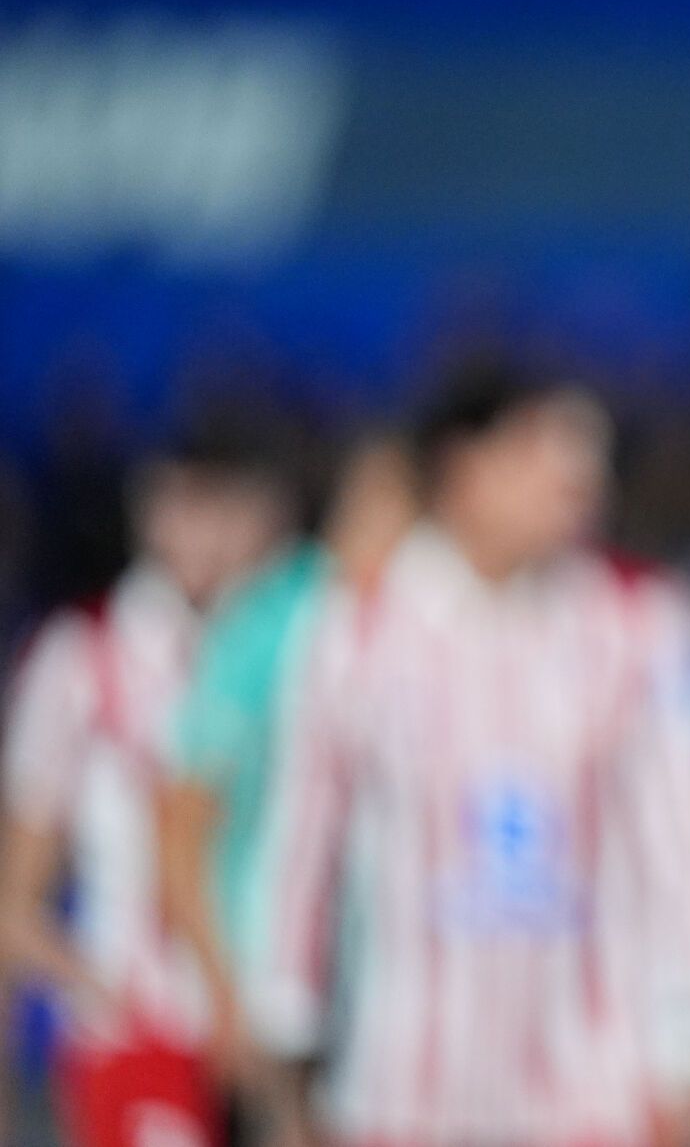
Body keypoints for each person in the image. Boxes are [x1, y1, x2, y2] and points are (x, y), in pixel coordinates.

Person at [244, 366, 690, 1147]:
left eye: (587, 449)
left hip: (594, 1095)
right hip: (403, 1093)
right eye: (541, 446)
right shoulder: (358, 625)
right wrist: (283, 1035)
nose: (576, 473)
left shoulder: (646, 625)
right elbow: (303, 833)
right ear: (460, 469)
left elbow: (689, 847)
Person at [0, 421, 294, 1147]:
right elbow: (15, 896)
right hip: (143, 1039)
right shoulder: (86, 656)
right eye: (187, 506)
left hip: (275, 1032)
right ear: (150, 514)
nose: (209, 534)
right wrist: (98, 987)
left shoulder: (290, 649)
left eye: (228, 509)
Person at [155, 432, 418, 1133]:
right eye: (406, 505)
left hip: (389, 979)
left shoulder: (426, 625)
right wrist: (225, 993)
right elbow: (182, 822)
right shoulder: (270, 621)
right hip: (277, 972)